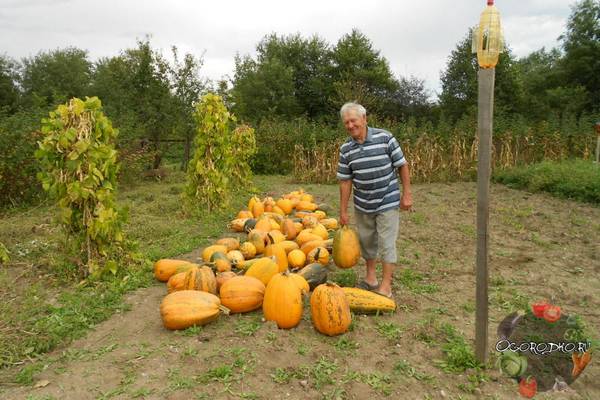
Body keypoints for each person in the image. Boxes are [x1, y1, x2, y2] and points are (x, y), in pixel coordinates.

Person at [337, 102, 412, 298]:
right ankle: (371, 278)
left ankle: (386, 286)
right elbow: (345, 181)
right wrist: (343, 211)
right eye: (346, 123)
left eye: (353, 121)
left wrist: (407, 194)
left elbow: (402, 166)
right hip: (363, 204)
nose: (350, 125)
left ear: (364, 119)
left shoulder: (385, 138)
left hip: (387, 199)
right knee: (367, 242)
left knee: (387, 243)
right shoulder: (346, 149)